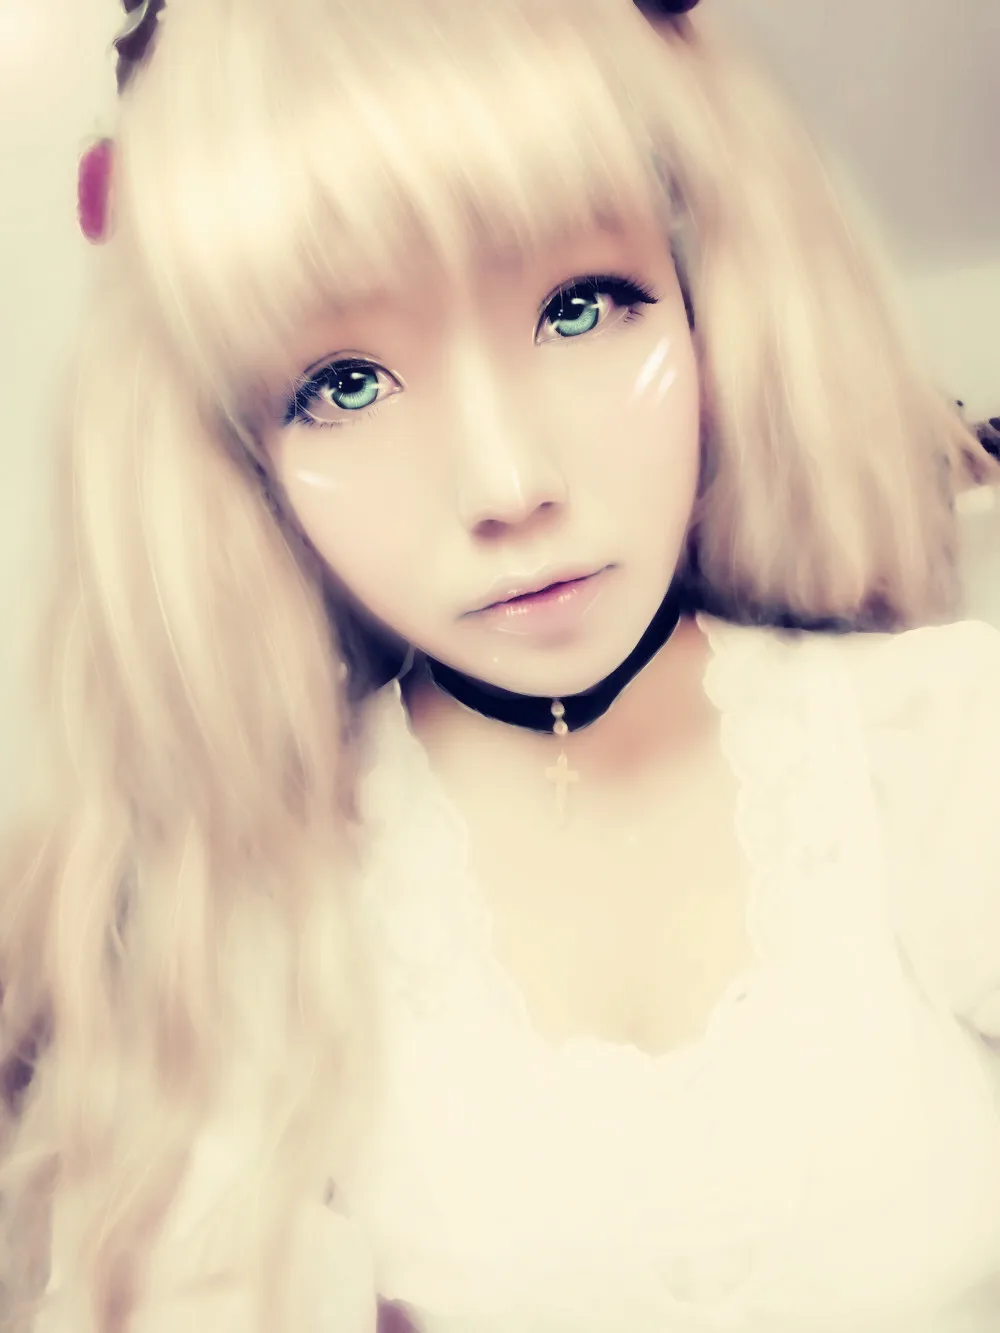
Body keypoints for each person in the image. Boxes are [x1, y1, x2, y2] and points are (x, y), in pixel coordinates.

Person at [3, 0, 1000, 1330]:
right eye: (343, 384)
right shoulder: (257, 916)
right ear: (238, 461)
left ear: (710, 304)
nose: (508, 483)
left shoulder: (938, 744)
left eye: (582, 306)